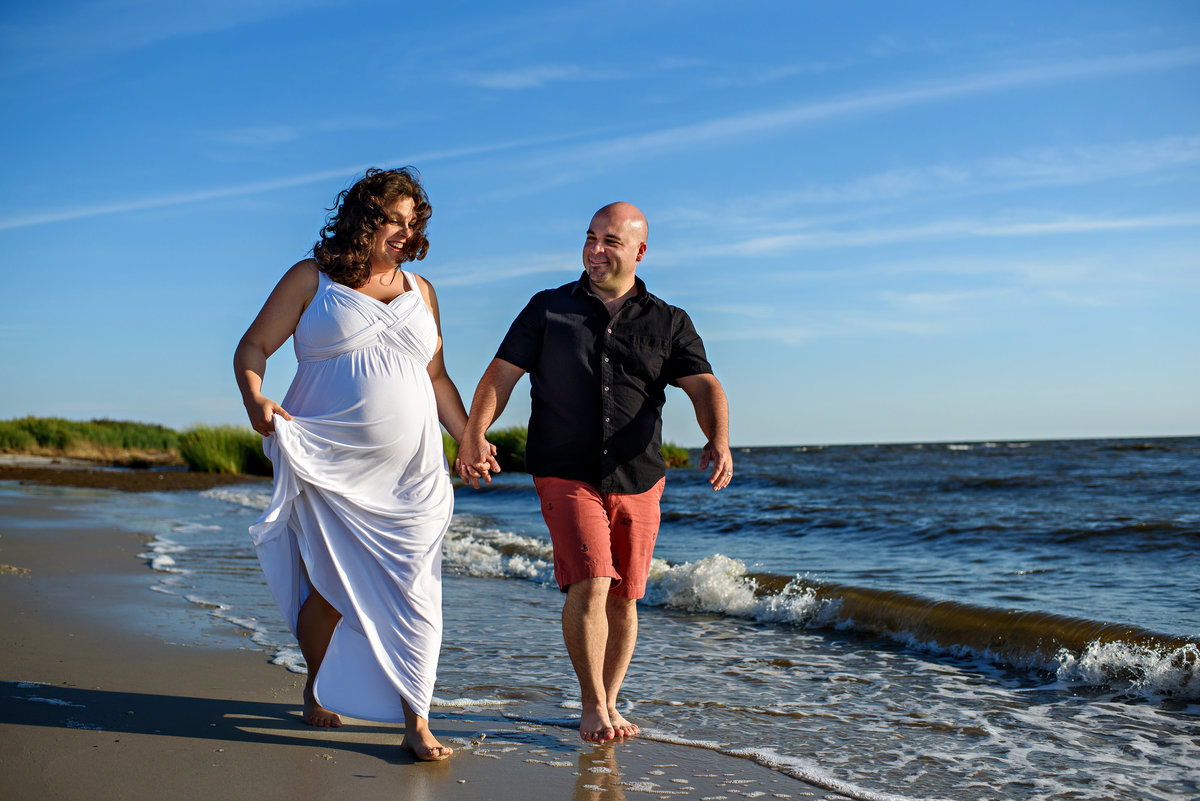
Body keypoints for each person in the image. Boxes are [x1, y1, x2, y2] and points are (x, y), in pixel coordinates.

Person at [457, 201, 733, 743]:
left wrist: (717, 438)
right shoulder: (548, 308)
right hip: (564, 469)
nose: (595, 249)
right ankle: (590, 705)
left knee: (626, 595)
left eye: (610, 241)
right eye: (590, 237)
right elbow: (499, 376)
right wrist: (474, 432)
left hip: (639, 476)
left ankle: (610, 698)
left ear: (640, 251)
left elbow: (705, 386)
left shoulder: (669, 320)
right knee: (591, 580)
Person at [234, 167, 485, 761]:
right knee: (331, 589)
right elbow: (251, 346)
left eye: (412, 222)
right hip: (329, 461)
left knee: (418, 589)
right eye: (391, 219)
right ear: (363, 216)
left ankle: (415, 720)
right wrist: (255, 399)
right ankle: (319, 685)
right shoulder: (311, 278)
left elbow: (438, 377)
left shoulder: (421, 291)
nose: (403, 232)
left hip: (413, 473)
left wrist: (469, 436)